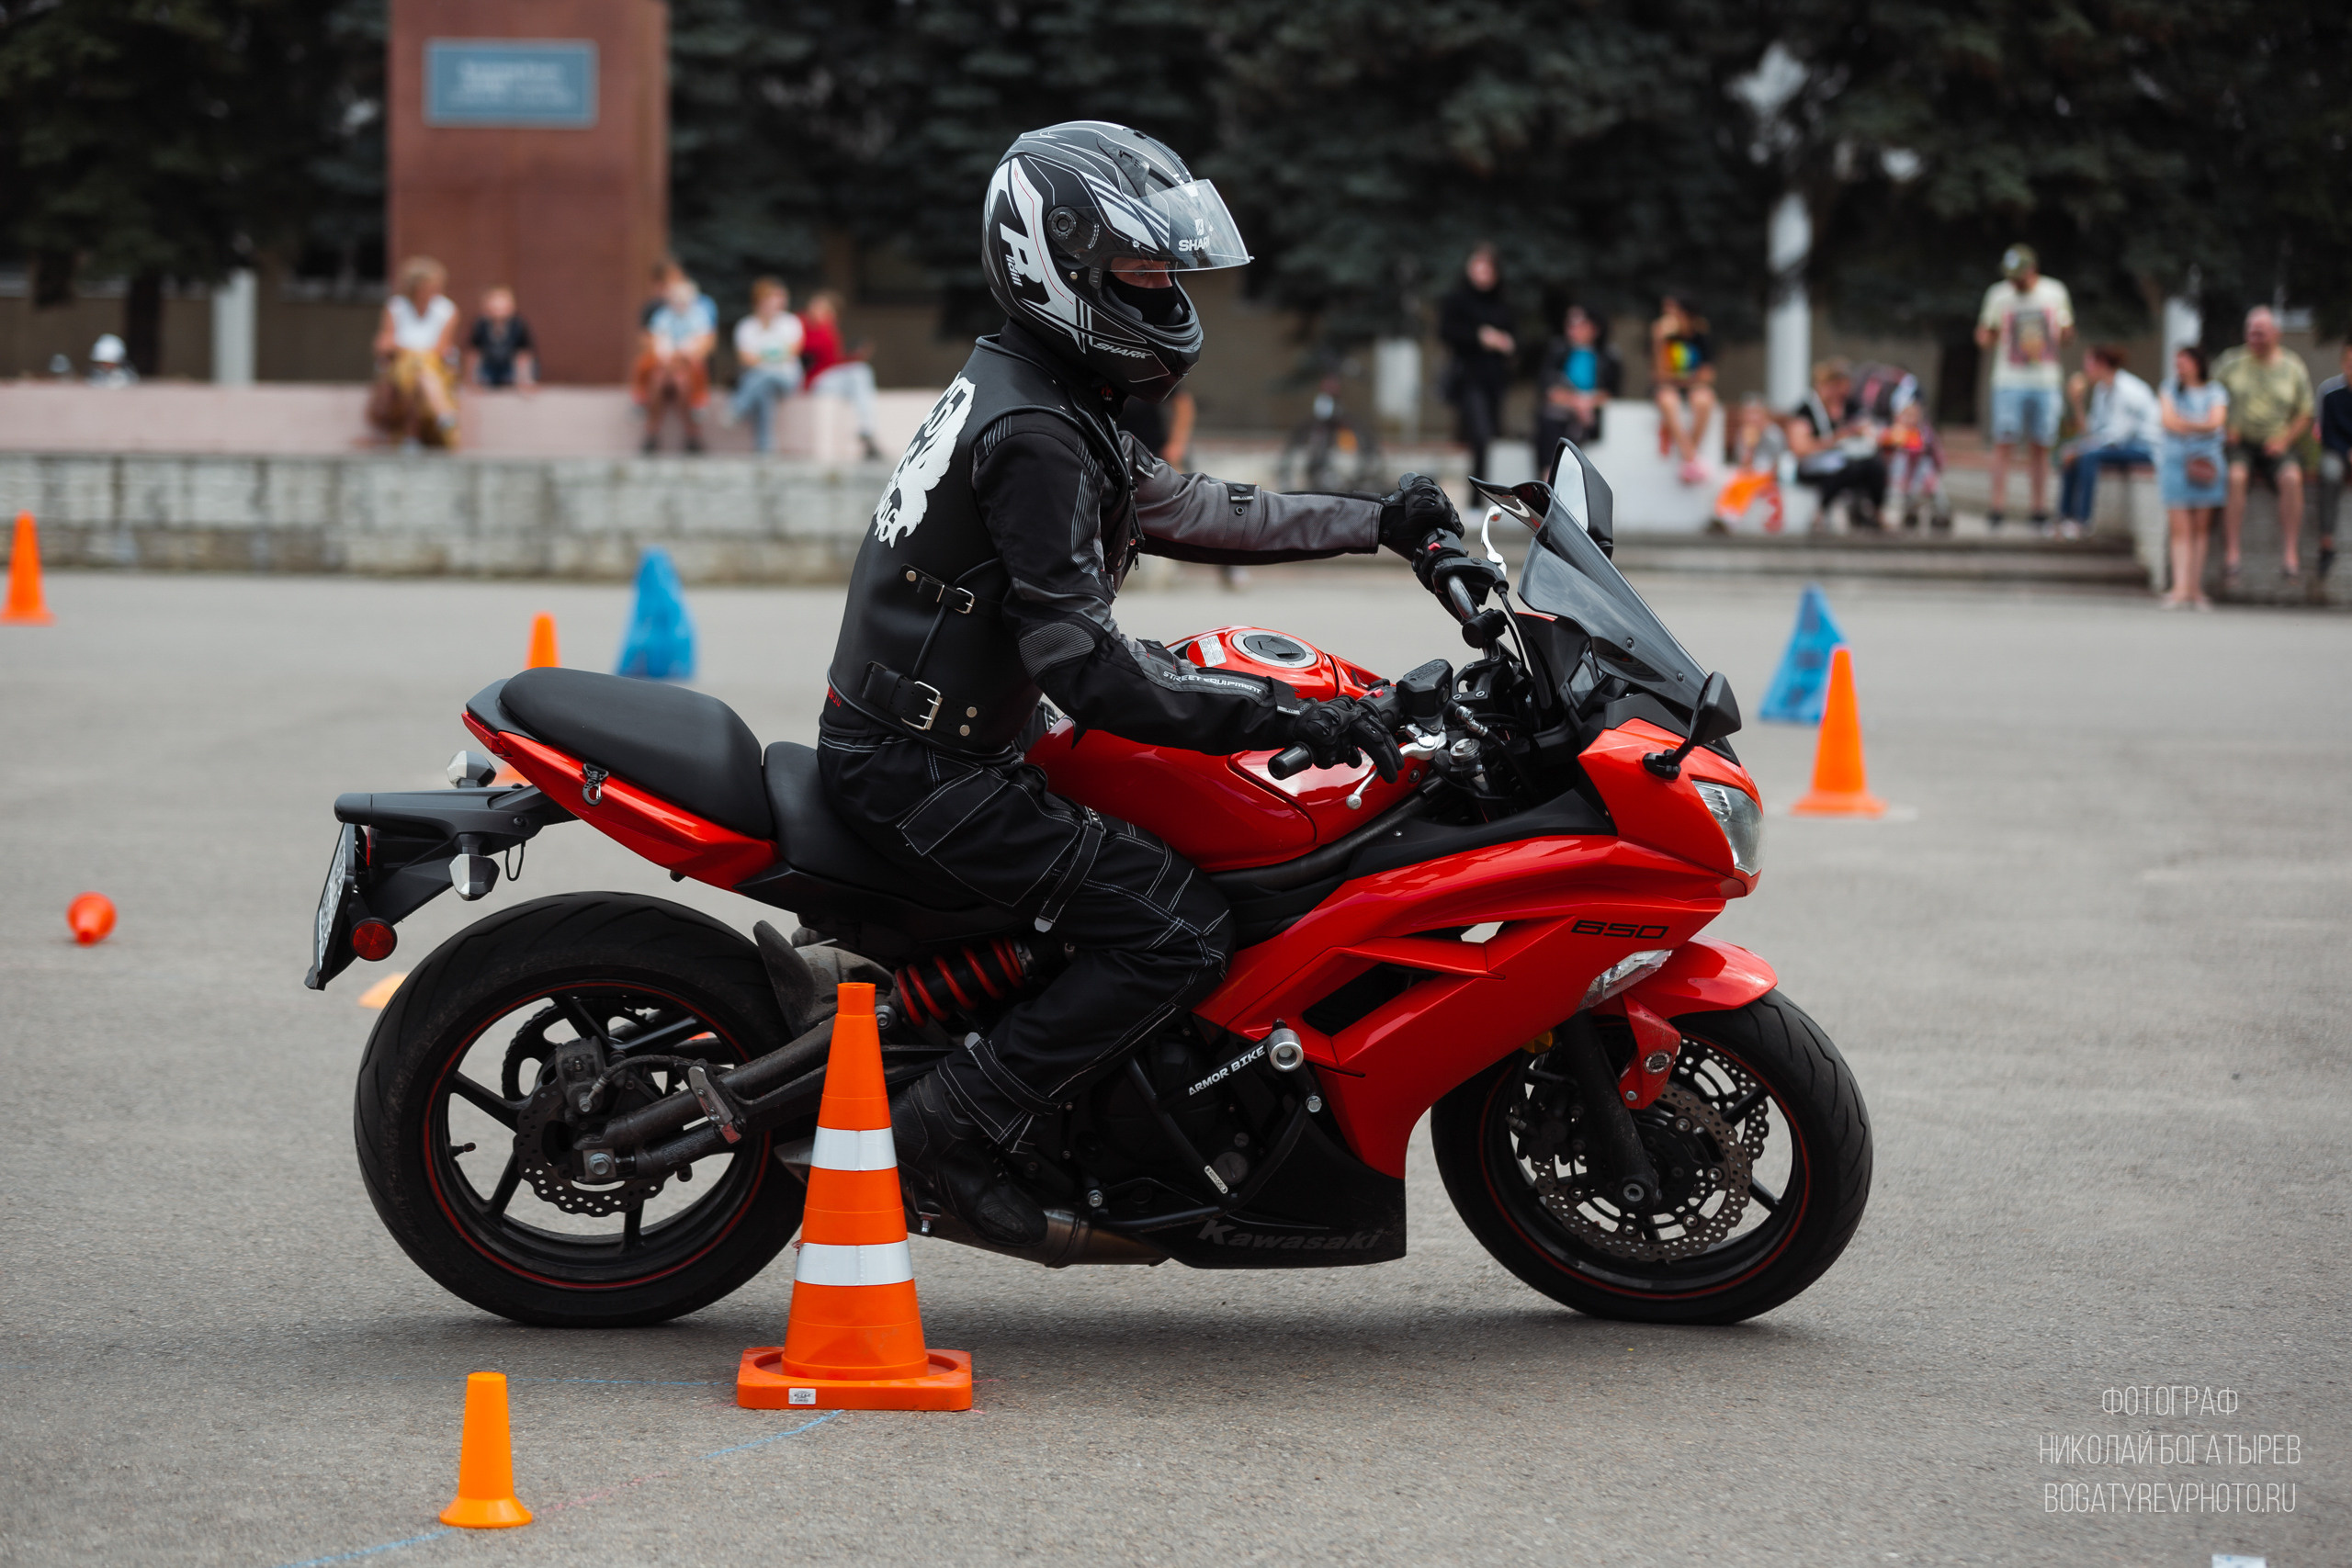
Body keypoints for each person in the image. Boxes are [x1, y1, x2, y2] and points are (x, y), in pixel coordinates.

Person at [820, 120, 1467, 1247]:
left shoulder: (1039, 387)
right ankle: (943, 1133)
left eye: (1167, 270)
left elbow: (1194, 507)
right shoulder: (1036, 429)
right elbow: (1089, 673)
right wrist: (1300, 716)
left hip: (940, 740)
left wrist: (1380, 522)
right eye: (1138, 269)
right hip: (928, 772)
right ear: (1057, 264)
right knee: (1179, 927)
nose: (1163, 292)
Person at [1974, 243, 2074, 529]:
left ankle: (2039, 509)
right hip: (2009, 380)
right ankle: (1997, 507)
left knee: (2041, 445)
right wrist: (1986, 336)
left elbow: (2067, 334)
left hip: (2045, 380)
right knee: (2004, 442)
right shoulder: (1998, 294)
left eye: (2019, 275)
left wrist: (2064, 332)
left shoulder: (2055, 292)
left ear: (2033, 269)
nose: (2014, 281)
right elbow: (1985, 333)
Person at [2215, 306, 2315, 581]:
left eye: (2260, 333)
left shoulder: (2292, 366)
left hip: (2277, 442)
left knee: (2292, 478)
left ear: (2276, 334)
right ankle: (2232, 555)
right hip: (2240, 442)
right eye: (2250, 332)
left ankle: (2290, 555)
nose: (2254, 338)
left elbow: (2305, 412)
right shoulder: (2231, 362)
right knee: (2235, 477)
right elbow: (2211, 397)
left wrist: (2285, 440)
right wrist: (2224, 426)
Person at [2056, 344, 2161, 537]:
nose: (2085, 369)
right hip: (2121, 445)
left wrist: (2081, 449)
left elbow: (2117, 437)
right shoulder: (2102, 389)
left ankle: (2083, 522)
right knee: (2071, 454)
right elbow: (2091, 432)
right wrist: (2077, 402)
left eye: (2088, 364)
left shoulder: (2128, 390)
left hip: (2145, 448)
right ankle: (2064, 519)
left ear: (2102, 364)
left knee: (2088, 456)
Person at [2157, 344, 2229, 609]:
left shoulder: (2215, 391)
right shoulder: (2169, 389)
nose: (2180, 367)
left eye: (2184, 361)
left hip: (2206, 465)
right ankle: (2180, 588)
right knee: (2180, 530)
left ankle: (2195, 589)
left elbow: (2217, 422)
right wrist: (2201, 424)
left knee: (2201, 530)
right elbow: (2168, 422)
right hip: (2176, 463)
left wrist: (2185, 422)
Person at [369, 256, 461, 449]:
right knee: (417, 369)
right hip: (403, 366)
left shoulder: (446, 309)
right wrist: (412, 352)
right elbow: (385, 343)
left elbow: (441, 348)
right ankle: (444, 415)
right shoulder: (397, 306)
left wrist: (406, 348)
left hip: (433, 366)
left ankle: (411, 438)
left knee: (419, 371)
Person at [1438, 243, 1514, 478]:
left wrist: (1505, 342)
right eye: (1477, 268)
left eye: (1486, 269)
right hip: (1469, 377)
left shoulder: (1502, 302)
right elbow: (1447, 332)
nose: (1481, 275)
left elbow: (1515, 337)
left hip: (1495, 379)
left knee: (1490, 438)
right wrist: (1480, 337)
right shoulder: (1457, 300)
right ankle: (1475, 492)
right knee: (1480, 435)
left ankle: (1482, 489)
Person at [1785, 358, 1886, 529]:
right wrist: (1836, 439)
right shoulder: (1806, 410)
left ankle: (1876, 511)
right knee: (1847, 469)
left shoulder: (1850, 406)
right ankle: (1820, 513)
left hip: (1847, 458)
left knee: (1874, 465)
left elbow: (1868, 427)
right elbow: (1800, 449)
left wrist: (1863, 433)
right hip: (1814, 465)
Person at [633, 269, 718, 454]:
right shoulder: (663, 316)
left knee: (682, 383)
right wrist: (669, 357)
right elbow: (658, 340)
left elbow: (699, 343)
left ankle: (693, 427)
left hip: (686, 364)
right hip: (666, 364)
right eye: (676, 300)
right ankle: (651, 431)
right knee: (657, 379)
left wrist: (680, 356)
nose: (679, 304)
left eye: (683, 300)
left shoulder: (698, 316)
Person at [1533, 305, 1619, 475]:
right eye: (1570, 323)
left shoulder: (1608, 357)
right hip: (1560, 415)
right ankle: (1549, 476)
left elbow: (1611, 393)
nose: (1573, 329)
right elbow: (1548, 388)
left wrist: (1588, 403)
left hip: (1591, 417)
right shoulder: (1558, 350)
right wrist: (1577, 403)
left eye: (1580, 324)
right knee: (1551, 425)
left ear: (1594, 328)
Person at [800, 291, 884, 460]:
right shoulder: (802, 325)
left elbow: (833, 361)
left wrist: (855, 356)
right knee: (860, 373)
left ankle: (866, 431)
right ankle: (866, 430)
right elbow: (806, 350)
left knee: (862, 372)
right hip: (814, 382)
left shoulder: (830, 329)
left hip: (830, 379)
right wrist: (825, 328)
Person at [729, 276, 805, 454]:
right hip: (758, 380)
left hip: (787, 378)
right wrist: (774, 356)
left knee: (765, 375)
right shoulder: (747, 326)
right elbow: (745, 359)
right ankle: (765, 446)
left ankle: (738, 407)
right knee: (764, 390)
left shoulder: (790, 322)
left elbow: (792, 352)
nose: (778, 302)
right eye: (773, 297)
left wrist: (761, 358)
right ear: (760, 300)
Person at [1649, 293, 1718, 484]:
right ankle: (1691, 458)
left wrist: (1679, 379)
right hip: (1671, 389)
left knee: (1703, 400)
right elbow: (1659, 374)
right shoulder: (1663, 338)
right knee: (1668, 401)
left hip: (1691, 389)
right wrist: (1658, 341)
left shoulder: (1700, 337)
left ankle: (1688, 456)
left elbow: (1708, 375)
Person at [1712, 395, 1786, 533]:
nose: (1751, 418)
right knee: (1733, 482)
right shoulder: (1745, 432)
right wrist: (1749, 446)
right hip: (1750, 472)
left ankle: (1732, 516)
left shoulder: (1773, 433)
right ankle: (1722, 513)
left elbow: (1776, 460)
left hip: (1765, 474)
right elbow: (1743, 461)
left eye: (1755, 413)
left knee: (1743, 485)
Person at [1879, 400, 1949, 530]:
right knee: (1897, 486)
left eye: (1914, 415)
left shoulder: (1924, 433)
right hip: (1899, 475)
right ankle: (1898, 515)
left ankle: (1941, 513)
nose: (1911, 419)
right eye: (1907, 415)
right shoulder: (1894, 432)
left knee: (1930, 478)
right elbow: (1884, 452)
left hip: (1920, 474)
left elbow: (1935, 451)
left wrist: (1939, 465)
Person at [2316, 343, 2352, 581]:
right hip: (2338, 451)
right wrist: (2347, 452)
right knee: (2329, 471)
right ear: (2343, 364)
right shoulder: (2329, 392)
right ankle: (2326, 542)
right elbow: (2326, 433)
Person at [464, 287, 536, 389]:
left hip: (510, 366)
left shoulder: (518, 325)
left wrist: (525, 380)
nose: (498, 312)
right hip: (489, 366)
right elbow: (473, 353)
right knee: (485, 378)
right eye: (495, 307)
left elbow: (523, 354)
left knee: (512, 376)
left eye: (502, 307)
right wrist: (471, 380)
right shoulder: (481, 325)